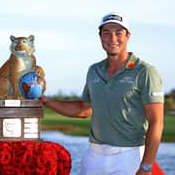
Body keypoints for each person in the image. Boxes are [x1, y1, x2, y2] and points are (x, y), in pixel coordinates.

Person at [41, 12, 164, 175]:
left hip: (128, 157)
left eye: (118, 33)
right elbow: (84, 109)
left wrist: (146, 166)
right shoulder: (94, 71)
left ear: (128, 36)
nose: (112, 38)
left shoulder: (145, 71)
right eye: (106, 33)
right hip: (94, 156)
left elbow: (156, 121)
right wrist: (45, 100)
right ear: (100, 37)